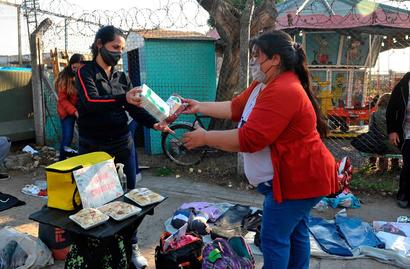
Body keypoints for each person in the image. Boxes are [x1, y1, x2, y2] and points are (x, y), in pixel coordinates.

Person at [182, 30, 338, 269]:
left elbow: (250, 139)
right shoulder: (264, 84)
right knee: (295, 234)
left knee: (273, 239)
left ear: (275, 59)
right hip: (297, 178)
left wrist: (205, 138)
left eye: (257, 56)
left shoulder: (284, 89)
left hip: (298, 181)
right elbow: (235, 107)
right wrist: (199, 106)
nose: (253, 61)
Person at [75, 25, 170, 269]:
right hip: (93, 148)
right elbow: (91, 102)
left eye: (122, 49)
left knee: (130, 200)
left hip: (121, 144)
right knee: (96, 203)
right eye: (114, 47)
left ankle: (131, 245)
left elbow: (133, 108)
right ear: (99, 44)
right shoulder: (85, 72)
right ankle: (101, 249)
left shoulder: (122, 77)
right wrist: (122, 99)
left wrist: (155, 123)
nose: (118, 53)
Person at [351, 93, 400, 172]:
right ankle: (395, 165)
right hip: (395, 146)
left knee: (373, 139)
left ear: (380, 102)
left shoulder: (374, 114)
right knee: (393, 141)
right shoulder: (397, 114)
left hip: (379, 144)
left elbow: (371, 130)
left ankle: (373, 165)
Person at [386, 72, 410, 208]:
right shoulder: (402, 86)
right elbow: (391, 110)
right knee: (408, 165)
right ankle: (404, 195)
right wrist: (392, 131)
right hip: (407, 133)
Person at [56, 53, 84, 161]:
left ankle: (80, 161)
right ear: (70, 65)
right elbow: (62, 100)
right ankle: (62, 163)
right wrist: (74, 111)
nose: (76, 70)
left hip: (79, 110)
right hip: (66, 111)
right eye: (74, 67)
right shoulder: (64, 77)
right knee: (67, 137)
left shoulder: (84, 74)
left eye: (79, 68)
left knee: (84, 138)